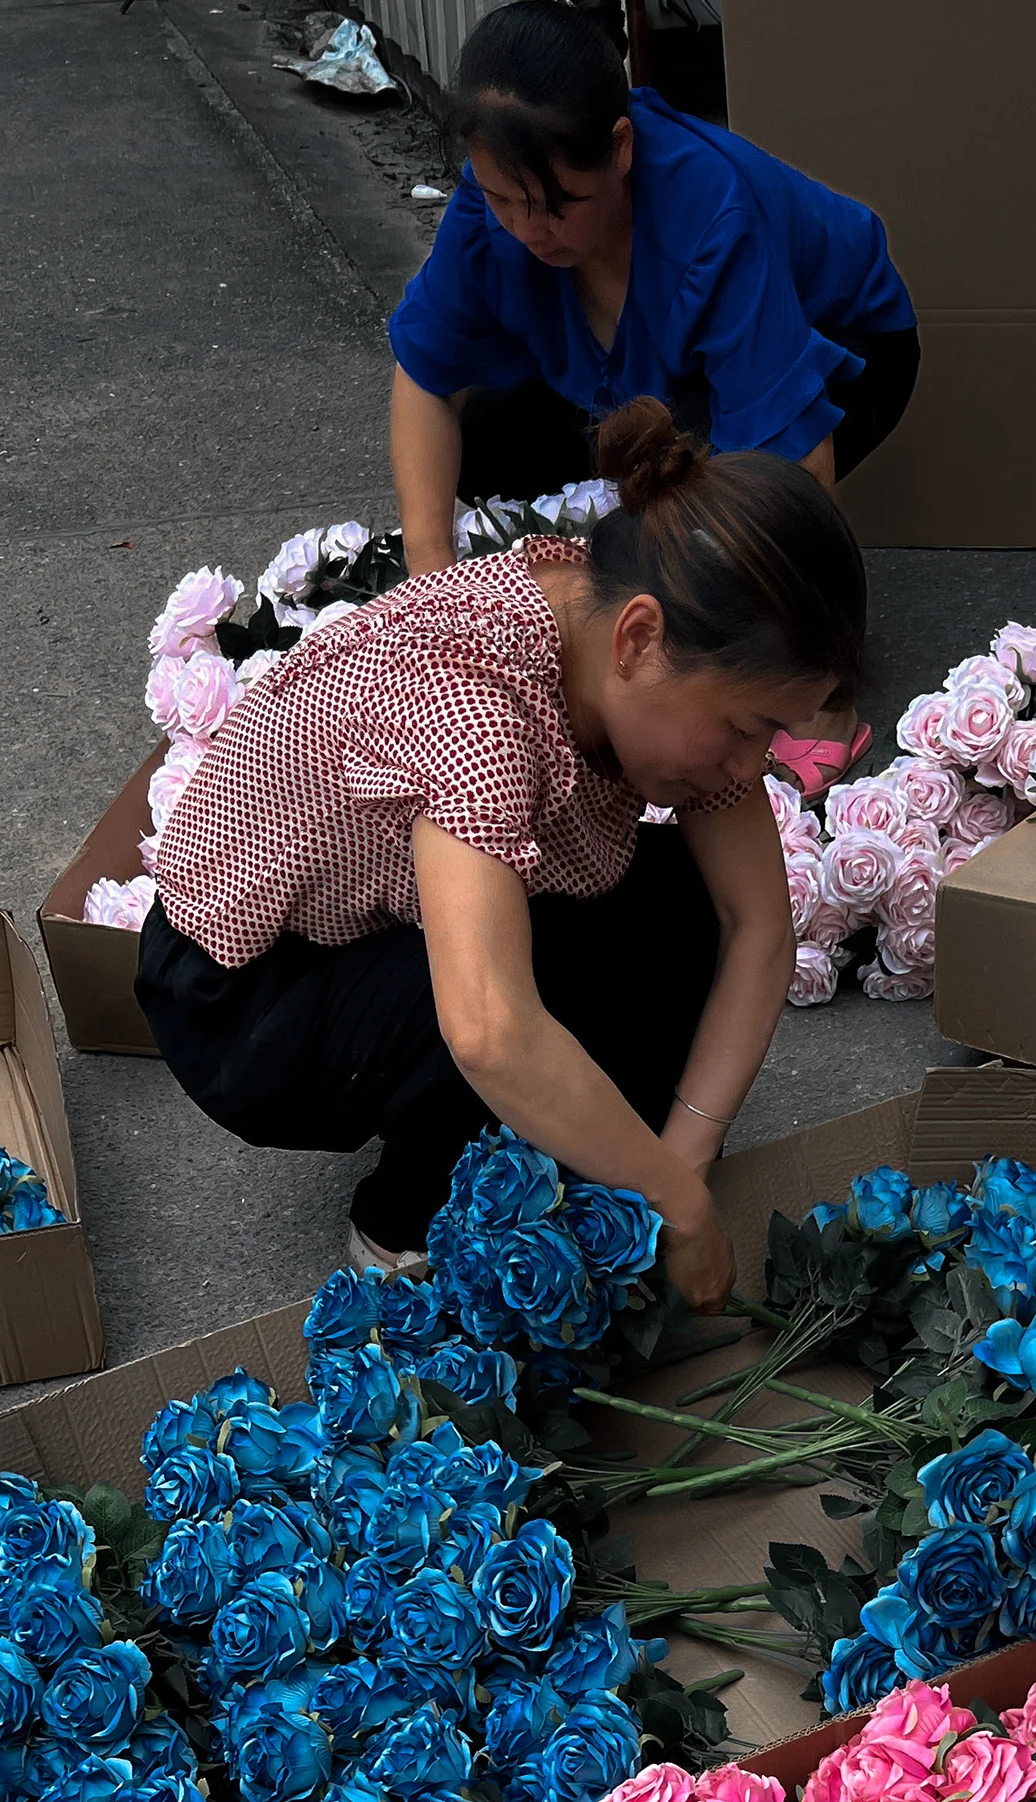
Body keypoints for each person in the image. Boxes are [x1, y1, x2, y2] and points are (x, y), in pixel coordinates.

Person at [135, 398, 865, 1304]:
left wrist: (685, 1159)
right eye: (745, 728)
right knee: (514, 1002)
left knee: (677, 909)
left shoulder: (616, 635)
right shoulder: (474, 708)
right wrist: (679, 1204)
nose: (751, 767)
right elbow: (487, 1030)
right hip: (246, 995)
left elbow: (755, 920)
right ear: (640, 638)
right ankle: (401, 1224)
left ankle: (585, 1175)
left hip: (375, 916)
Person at [387, 0, 915, 789]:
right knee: (491, 447)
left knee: (704, 500)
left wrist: (803, 689)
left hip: (846, 350)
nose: (530, 228)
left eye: (557, 202)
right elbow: (425, 377)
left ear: (621, 148)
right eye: (504, 200)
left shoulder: (711, 213)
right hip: (636, 377)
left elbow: (794, 465)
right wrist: (429, 584)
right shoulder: (489, 204)